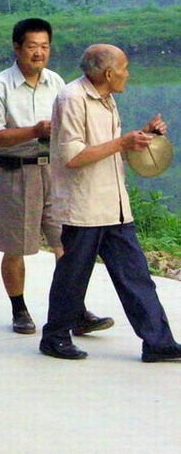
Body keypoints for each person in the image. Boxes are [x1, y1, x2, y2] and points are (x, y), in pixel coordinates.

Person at [39, 44, 181, 362]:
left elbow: (107, 148)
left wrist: (143, 135)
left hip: (114, 205)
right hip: (84, 206)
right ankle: (55, 337)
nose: (127, 74)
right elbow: (72, 156)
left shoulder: (105, 98)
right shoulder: (72, 98)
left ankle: (158, 342)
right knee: (73, 275)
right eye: (124, 68)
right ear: (108, 73)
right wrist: (122, 141)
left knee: (136, 275)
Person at [0, 18, 112, 335]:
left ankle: (74, 310)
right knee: (16, 248)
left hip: (56, 171)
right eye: (32, 46)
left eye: (44, 46)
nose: (39, 53)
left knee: (66, 244)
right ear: (17, 48)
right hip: (16, 171)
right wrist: (34, 131)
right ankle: (20, 310)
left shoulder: (57, 83)